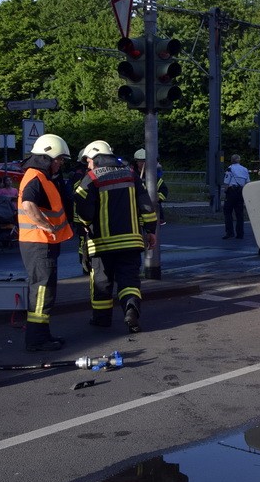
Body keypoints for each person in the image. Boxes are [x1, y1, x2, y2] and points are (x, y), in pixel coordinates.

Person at [74, 140, 158, 333]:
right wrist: (150, 230)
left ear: (96, 158)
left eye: (88, 160)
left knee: (102, 283)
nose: (87, 165)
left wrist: (84, 224)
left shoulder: (91, 178)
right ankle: (130, 309)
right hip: (131, 241)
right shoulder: (131, 174)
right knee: (129, 280)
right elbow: (146, 206)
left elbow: (82, 204)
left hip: (101, 243)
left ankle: (101, 319)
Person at [18, 134, 74, 352]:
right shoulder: (35, 176)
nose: (60, 163)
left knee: (44, 289)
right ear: (47, 157)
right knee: (42, 290)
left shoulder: (41, 176)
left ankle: (42, 334)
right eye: (58, 159)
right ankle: (36, 339)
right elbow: (28, 204)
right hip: (39, 242)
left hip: (42, 243)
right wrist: (46, 226)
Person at [132, 149, 168, 225]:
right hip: (136, 212)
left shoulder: (154, 177)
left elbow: (164, 190)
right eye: (140, 161)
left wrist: (158, 198)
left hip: (153, 212)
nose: (143, 164)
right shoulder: (132, 175)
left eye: (144, 161)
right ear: (136, 162)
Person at [222, 154, 250, 239]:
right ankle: (240, 233)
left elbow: (226, 182)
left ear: (231, 160)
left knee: (227, 212)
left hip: (231, 192)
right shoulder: (245, 169)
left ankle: (230, 232)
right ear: (239, 160)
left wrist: (225, 191)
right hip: (240, 192)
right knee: (239, 214)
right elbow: (247, 182)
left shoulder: (230, 168)